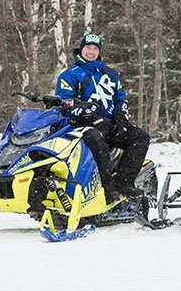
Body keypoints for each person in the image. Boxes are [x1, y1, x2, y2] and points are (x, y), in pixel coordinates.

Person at [55, 32, 151, 202]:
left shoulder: (110, 74)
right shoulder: (70, 75)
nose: (91, 52)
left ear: (99, 51)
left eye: (94, 48)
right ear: (81, 49)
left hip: (110, 123)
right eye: (87, 48)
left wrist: (121, 119)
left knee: (140, 136)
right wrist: (91, 117)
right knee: (96, 139)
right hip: (81, 126)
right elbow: (65, 104)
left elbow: (120, 98)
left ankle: (124, 182)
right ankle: (107, 187)